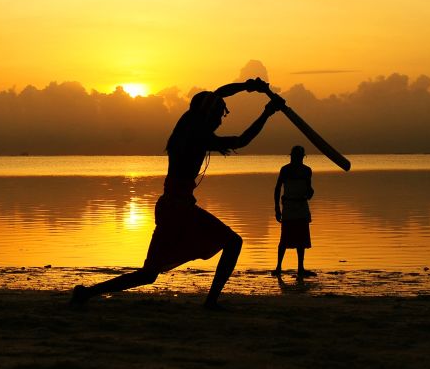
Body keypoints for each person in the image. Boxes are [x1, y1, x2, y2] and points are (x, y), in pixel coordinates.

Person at [71, 78, 284, 309]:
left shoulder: (192, 131)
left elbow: (238, 138)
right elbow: (237, 132)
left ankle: (87, 293)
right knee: (232, 243)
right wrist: (257, 98)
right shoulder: (194, 129)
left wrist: (256, 98)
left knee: (148, 274)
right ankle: (210, 302)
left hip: (175, 207)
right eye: (218, 114)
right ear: (206, 111)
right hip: (177, 209)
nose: (219, 120)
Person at [271, 145, 316, 278]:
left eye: (299, 156)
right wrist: (277, 208)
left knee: (301, 240)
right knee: (284, 238)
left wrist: (310, 193)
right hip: (290, 207)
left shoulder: (307, 171)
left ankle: (300, 268)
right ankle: (279, 267)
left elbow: (308, 191)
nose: (298, 159)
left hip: (301, 205)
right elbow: (277, 189)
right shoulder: (285, 170)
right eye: (296, 156)